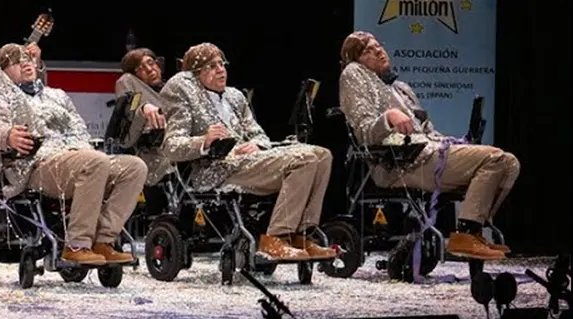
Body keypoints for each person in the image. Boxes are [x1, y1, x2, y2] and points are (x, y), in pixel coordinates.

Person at [337, 31, 518, 260]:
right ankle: (466, 234)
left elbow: (429, 132)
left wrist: (456, 143)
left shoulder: (401, 89)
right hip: (399, 162)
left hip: (427, 152)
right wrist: (388, 117)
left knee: (510, 163)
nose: (378, 51)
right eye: (367, 50)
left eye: (378, 45)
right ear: (355, 60)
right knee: (496, 159)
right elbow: (364, 131)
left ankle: (474, 228)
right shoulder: (353, 74)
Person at [159, 43, 336, 262]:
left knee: (322, 155)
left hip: (250, 160)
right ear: (196, 74)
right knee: (305, 159)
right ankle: (277, 237)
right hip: (217, 168)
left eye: (221, 64)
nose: (221, 69)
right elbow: (172, 146)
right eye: (211, 66)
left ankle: (301, 235)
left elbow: (259, 134)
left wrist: (257, 145)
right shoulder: (183, 92)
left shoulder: (235, 97)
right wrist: (204, 140)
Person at [0, 43, 147, 267]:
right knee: (95, 161)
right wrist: (8, 135)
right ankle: (77, 245)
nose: (25, 64)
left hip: (77, 156)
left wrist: (83, 149)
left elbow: (79, 128)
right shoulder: (4, 93)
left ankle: (104, 240)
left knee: (134, 167)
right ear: (3, 71)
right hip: (38, 163)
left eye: (29, 59)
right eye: (15, 61)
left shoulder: (56, 95)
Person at [113, 47, 171, 185]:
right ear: (134, 74)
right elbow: (129, 113)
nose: (149, 69)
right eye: (140, 68)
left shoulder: (170, 89)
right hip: (151, 160)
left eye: (151, 63)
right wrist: (143, 109)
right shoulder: (128, 81)